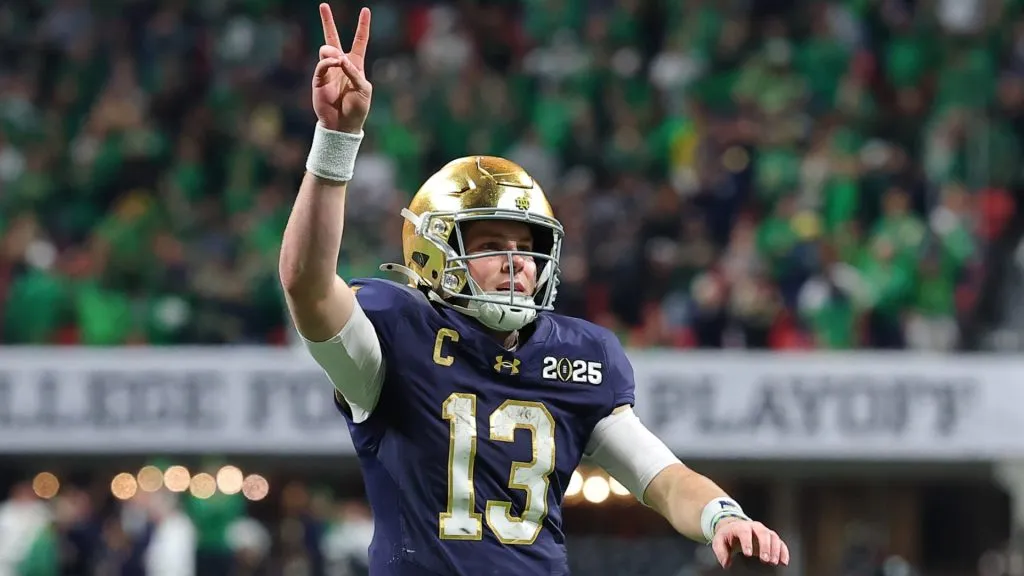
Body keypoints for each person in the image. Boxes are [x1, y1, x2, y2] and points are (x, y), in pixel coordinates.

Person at [280, 4, 792, 575]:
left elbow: (665, 479)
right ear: (431, 250)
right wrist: (336, 139)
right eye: (491, 244)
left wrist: (723, 516)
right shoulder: (395, 335)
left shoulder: (578, 356)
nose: (516, 262)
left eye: (527, 247)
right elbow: (305, 284)